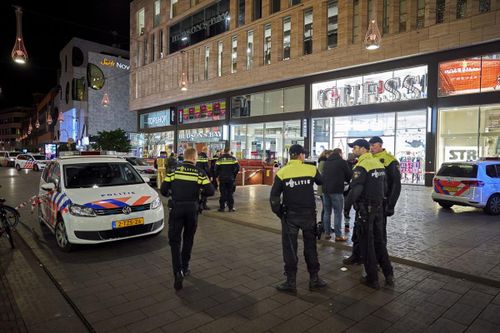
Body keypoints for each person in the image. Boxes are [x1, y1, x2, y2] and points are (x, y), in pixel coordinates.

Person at [270, 144, 327, 293]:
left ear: (290, 155)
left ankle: (290, 282)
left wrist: (279, 212)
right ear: (301, 155)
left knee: (290, 248)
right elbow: (321, 181)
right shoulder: (310, 169)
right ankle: (314, 279)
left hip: (290, 216)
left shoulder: (282, 172)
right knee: (310, 247)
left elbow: (274, 197)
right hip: (309, 215)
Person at [161, 148, 215, 290]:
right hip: (192, 209)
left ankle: (177, 272)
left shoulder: (173, 171)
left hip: (176, 208)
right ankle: (185, 268)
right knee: (188, 239)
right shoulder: (199, 173)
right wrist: (200, 190)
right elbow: (211, 191)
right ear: (195, 158)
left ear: (184, 157)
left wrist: (172, 192)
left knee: (174, 241)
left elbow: (163, 190)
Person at [343, 139, 394, 289]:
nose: (353, 150)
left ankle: (372, 278)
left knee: (366, 244)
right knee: (379, 242)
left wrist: (346, 208)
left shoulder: (362, 166)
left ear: (364, 149)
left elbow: (356, 190)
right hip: (378, 208)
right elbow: (385, 187)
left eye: (356, 148)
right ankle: (388, 273)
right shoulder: (378, 164)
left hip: (366, 210)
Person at [368, 136, 401, 243]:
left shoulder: (390, 160)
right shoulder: (368, 158)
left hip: (382, 200)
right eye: (370, 146)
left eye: (373, 145)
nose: (371, 148)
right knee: (368, 229)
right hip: (369, 200)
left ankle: (381, 256)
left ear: (380, 145)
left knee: (379, 230)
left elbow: (396, 184)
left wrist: (391, 205)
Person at [322, 148, 352, 241]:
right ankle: (338, 236)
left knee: (327, 212)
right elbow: (349, 175)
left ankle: (327, 233)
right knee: (337, 213)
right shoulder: (341, 162)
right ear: (339, 153)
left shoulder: (326, 162)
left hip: (325, 190)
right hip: (336, 190)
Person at [215, 147, 240, 212]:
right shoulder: (233, 158)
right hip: (230, 178)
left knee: (222, 193)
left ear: (224, 151)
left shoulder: (219, 159)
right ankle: (231, 208)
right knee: (230, 193)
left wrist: (217, 175)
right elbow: (237, 168)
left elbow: (216, 169)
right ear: (229, 151)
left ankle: (222, 208)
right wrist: (233, 175)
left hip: (222, 178)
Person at [317, 150, 332, 239]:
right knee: (325, 208)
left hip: (323, 187)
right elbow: (321, 173)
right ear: (326, 154)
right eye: (329, 154)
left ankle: (325, 225)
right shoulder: (323, 162)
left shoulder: (323, 161)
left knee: (325, 208)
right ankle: (324, 225)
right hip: (323, 188)